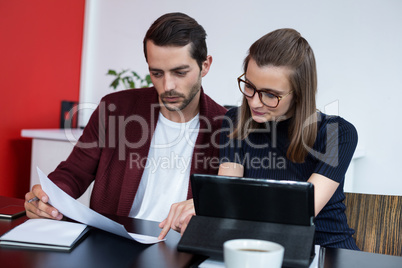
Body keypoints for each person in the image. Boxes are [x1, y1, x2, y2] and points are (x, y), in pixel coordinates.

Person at [24, 12, 226, 240]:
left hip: (181, 247)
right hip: (113, 243)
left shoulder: (227, 128)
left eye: (180, 72)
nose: (167, 86)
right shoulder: (115, 109)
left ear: (205, 65)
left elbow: (233, 204)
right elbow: (73, 173)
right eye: (156, 73)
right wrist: (47, 198)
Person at [218, 28, 359, 249]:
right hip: (259, 247)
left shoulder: (337, 133)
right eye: (249, 86)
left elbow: (299, 213)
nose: (254, 102)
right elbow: (226, 196)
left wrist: (225, 203)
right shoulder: (234, 120)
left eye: (270, 95)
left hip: (326, 249)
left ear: (299, 93)